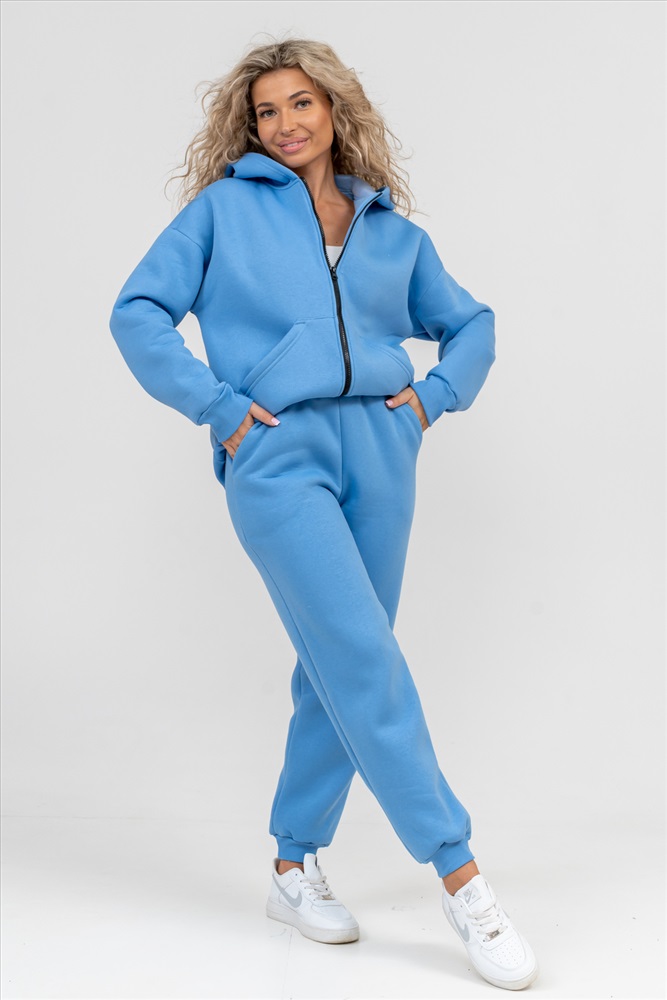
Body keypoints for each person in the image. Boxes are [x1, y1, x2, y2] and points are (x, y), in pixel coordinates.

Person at [109, 38, 538, 991]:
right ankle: (461, 876)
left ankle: (291, 864)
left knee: (335, 666)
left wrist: (429, 400)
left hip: (380, 454)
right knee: (363, 656)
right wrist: (221, 409)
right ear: (249, 125)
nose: (284, 123)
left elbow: (472, 324)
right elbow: (137, 311)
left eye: (300, 103)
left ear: (336, 110)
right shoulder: (222, 212)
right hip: (276, 457)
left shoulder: (391, 232)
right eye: (266, 111)